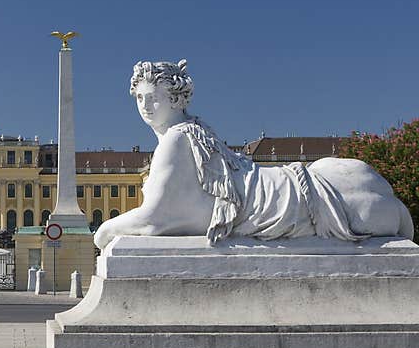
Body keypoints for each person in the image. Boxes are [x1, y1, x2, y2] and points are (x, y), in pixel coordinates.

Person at [93, 59, 414, 250]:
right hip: (286, 188)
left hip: (280, 204)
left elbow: (153, 222)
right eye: (140, 98)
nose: (146, 107)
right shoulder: (195, 129)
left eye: (155, 98)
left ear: (176, 100)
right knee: (378, 205)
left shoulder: (177, 140)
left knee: (375, 212)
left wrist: (103, 232)